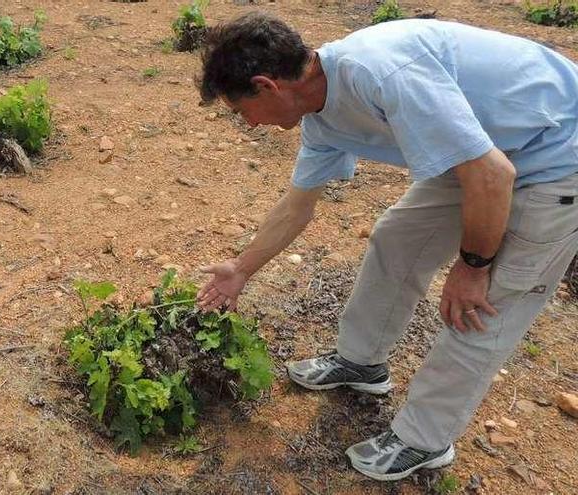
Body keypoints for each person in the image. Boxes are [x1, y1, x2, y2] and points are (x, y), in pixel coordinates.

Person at [195, 11, 578, 481]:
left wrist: (474, 267)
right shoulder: (320, 115)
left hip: (557, 152)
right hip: (483, 151)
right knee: (398, 238)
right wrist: (240, 269)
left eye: (241, 111)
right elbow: (297, 208)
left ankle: (424, 439)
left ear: (267, 86)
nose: (249, 124)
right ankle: (362, 361)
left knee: (487, 304)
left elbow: (492, 176)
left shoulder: (382, 72)